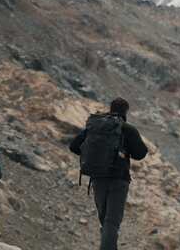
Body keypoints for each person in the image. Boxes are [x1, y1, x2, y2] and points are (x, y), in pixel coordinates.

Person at [69, 97, 148, 250]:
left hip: (97, 177)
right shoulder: (127, 128)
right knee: (112, 222)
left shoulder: (95, 125)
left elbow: (74, 146)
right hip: (119, 179)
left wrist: (92, 154)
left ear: (110, 108)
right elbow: (141, 153)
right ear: (126, 111)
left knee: (105, 220)